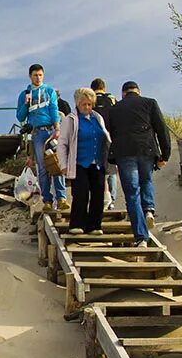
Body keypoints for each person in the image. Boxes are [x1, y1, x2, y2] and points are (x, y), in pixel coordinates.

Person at [105, 80, 171, 247]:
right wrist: (165, 154)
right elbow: (161, 129)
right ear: (138, 91)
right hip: (146, 149)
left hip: (125, 152)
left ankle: (141, 237)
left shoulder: (114, 109)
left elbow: (109, 132)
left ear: (123, 94)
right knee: (146, 180)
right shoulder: (149, 103)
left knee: (132, 193)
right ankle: (149, 209)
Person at [57, 88, 111, 237]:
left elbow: (105, 137)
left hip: (97, 162)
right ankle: (77, 224)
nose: (87, 107)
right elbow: (62, 143)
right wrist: (63, 164)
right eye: (83, 104)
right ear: (78, 104)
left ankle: (94, 225)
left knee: (98, 193)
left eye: (89, 104)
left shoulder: (97, 117)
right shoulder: (70, 119)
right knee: (81, 193)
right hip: (79, 162)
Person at [15, 64, 68, 211]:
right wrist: (26, 103)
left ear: (43, 75)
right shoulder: (24, 93)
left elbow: (54, 109)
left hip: (50, 130)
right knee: (43, 168)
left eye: (40, 75)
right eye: (35, 75)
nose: (37, 78)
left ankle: (61, 197)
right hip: (37, 133)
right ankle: (47, 200)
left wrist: (57, 127)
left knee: (56, 163)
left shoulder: (49, 91)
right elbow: (20, 116)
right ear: (30, 76)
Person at [90, 78, 120, 210]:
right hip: (110, 137)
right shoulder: (112, 100)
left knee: (95, 169)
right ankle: (111, 201)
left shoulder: (90, 100)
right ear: (104, 88)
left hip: (93, 138)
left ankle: (97, 198)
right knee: (111, 170)